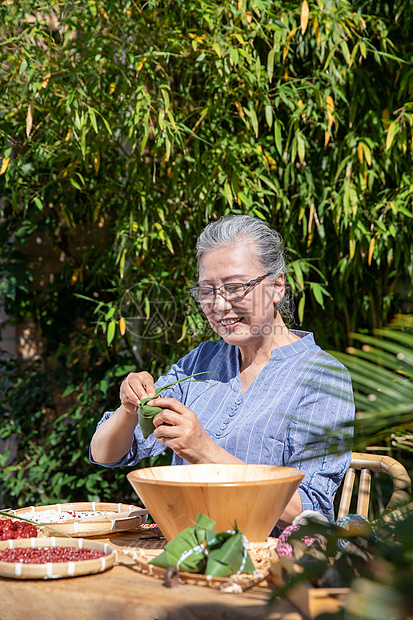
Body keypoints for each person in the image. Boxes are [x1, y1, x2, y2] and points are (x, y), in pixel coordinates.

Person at [90, 214, 354, 531]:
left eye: (234, 287)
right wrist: (129, 409)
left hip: (262, 565)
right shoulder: (202, 361)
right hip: (178, 551)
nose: (219, 305)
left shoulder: (322, 377)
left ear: (277, 285)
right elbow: (105, 453)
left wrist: (205, 452)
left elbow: (310, 511)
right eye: (207, 291)